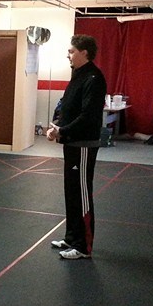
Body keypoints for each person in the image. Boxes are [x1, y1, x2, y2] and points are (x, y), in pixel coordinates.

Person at [47, 34, 107, 260]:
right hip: (71, 142)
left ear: (85, 53)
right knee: (71, 192)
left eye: (72, 51)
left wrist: (62, 130)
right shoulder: (78, 75)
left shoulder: (94, 77)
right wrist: (58, 126)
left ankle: (84, 247)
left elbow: (88, 116)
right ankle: (72, 237)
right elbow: (67, 106)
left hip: (83, 145)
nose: (68, 55)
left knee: (81, 193)